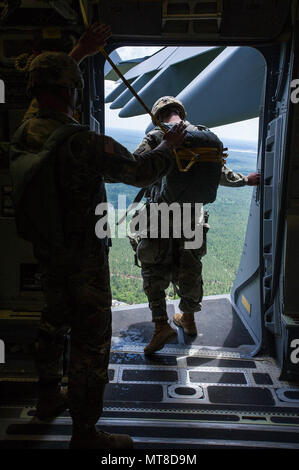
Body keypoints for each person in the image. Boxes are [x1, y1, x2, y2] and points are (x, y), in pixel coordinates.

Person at [9, 31, 186, 449]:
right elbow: (141, 171)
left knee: (52, 325)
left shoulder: (27, 128)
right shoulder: (82, 142)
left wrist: (78, 53)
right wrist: (169, 143)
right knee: (91, 345)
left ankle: (48, 398)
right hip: (85, 260)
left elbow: (49, 88)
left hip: (48, 251)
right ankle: (86, 434)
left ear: (36, 89)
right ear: (72, 91)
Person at [133, 96, 260, 355]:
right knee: (190, 267)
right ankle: (188, 319)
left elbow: (135, 167)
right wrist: (246, 180)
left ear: (157, 116)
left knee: (153, 269)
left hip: (160, 216)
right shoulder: (206, 138)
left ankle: (161, 326)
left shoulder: (158, 136)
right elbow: (221, 174)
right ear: (181, 112)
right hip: (194, 217)